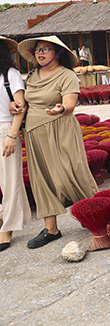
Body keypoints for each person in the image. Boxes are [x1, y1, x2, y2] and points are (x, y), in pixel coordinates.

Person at [15, 36, 97, 249]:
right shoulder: (32, 76)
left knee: (72, 173)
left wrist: (60, 108)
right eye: (38, 50)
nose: (40, 53)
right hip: (34, 132)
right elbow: (23, 102)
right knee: (41, 179)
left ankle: (95, 213)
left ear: (58, 53)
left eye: (46, 49)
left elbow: (69, 103)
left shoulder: (66, 75)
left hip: (61, 130)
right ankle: (51, 228)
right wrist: (14, 107)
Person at [0, 36, 31, 252]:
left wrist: (12, 135)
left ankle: (7, 227)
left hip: (5, 129)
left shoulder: (9, 76)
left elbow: (21, 107)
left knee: (10, 179)